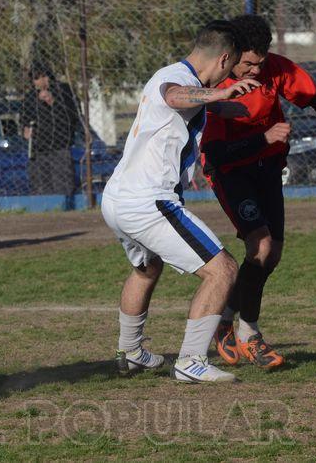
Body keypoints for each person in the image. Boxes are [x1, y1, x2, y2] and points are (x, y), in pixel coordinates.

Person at [201, 14, 316, 369]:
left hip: (267, 168)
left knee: (272, 256)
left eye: (261, 63)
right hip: (230, 172)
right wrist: (262, 138)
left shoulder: (276, 69)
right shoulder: (215, 85)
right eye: (248, 64)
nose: (255, 70)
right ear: (230, 55)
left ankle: (224, 316)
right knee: (261, 245)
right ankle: (249, 334)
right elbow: (214, 154)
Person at [101, 20, 260, 383]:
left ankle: (130, 352)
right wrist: (221, 96)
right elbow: (175, 96)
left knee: (147, 269)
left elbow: (180, 105)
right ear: (223, 60)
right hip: (148, 202)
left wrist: (222, 107)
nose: (227, 80)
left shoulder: (176, 75)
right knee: (223, 270)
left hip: (118, 198)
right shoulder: (176, 80)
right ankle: (191, 361)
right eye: (231, 69)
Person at [21, 63, 82, 195]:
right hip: (39, 149)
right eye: (37, 78)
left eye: (44, 76)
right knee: (40, 187)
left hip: (60, 146)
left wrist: (52, 101)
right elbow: (24, 120)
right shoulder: (30, 97)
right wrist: (25, 131)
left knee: (62, 187)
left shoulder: (63, 91)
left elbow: (73, 115)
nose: (41, 81)